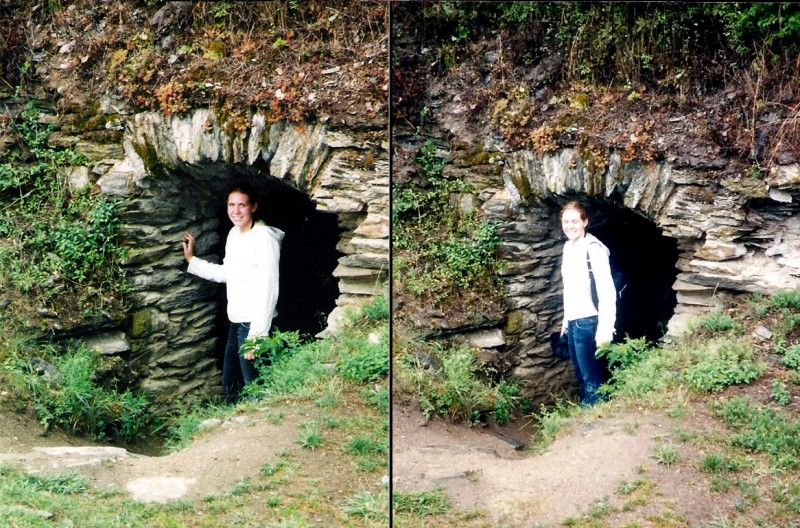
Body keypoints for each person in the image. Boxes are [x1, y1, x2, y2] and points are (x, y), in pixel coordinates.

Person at [182, 182, 284, 404]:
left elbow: (270, 287)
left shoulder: (264, 238)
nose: (235, 211)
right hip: (236, 322)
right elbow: (228, 273)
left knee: (258, 389)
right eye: (231, 205)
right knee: (231, 385)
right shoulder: (234, 234)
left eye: (242, 205)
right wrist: (193, 261)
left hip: (255, 323)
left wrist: (256, 337)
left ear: (253, 207)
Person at [559, 201, 616, 406]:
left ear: (585, 222)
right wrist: (566, 319)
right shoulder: (568, 247)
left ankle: (596, 422)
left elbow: (607, 291)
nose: (569, 226)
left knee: (592, 378)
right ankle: (587, 419)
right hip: (574, 322)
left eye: (574, 221)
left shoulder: (594, 249)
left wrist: (605, 329)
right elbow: (570, 287)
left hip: (590, 321)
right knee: (582, 375)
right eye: (566, 221)